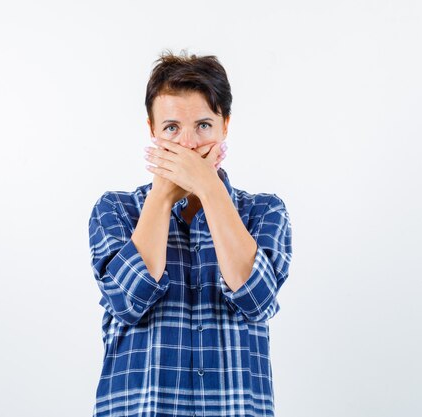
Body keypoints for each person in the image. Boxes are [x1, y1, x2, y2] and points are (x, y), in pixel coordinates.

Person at [88, 49, 293, 417]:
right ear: (152, 130)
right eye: (171, 129)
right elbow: (127, 301)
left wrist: (209, 188)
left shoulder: (264, 212)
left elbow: (258, 300)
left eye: (202, 126)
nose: (187, 144)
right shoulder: (116, 210)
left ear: (224, 125)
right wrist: (163, 194)